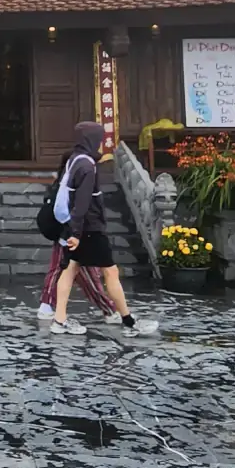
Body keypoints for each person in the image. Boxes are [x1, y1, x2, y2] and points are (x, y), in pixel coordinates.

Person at [48, 122, 159, 336]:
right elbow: (82, 202)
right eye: (98, 139)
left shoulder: (74, 159)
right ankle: (128, 321)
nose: (100, 143)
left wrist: (73, 230)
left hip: (77, 225)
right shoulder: (87, 166)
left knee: (70, 269)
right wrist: (77, 233)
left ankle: (59, 320)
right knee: (110, 271)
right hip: (89, 228)